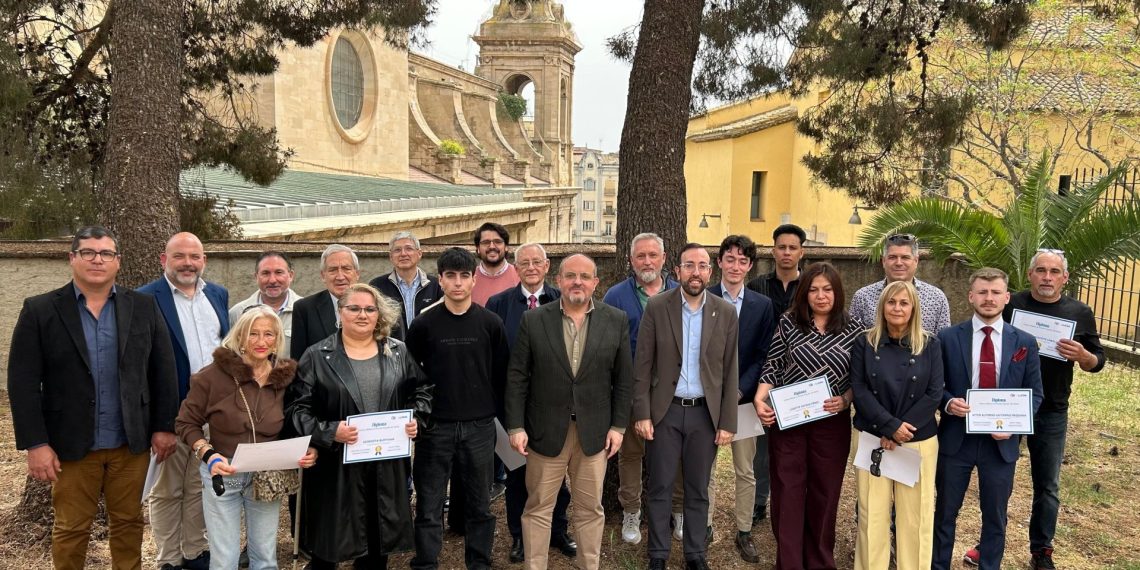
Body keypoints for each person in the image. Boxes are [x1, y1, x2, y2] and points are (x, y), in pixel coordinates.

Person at [8, 225, 179, 570]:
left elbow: (163, 369)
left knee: (129, 523)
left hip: (129, 443)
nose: (97, 260)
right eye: (88, 252)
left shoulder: (143, 307)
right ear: (72, 258)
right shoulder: (40, 310)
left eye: (106, 253)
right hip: (71, 446)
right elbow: (22, 383)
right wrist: (36, 444)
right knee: (71, 528)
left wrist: (164, 427)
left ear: (117, 261)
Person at [286, 283, 432, 568]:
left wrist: (416, 418)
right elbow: (296, 409)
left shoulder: (398, 352)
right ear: (340, 313)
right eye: (354, 308)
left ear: (379, 315)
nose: (362, 315)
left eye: (369, 309)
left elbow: (422, 390)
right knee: (328, 549)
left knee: (377, 547)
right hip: (335, 468)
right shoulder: (316, 356)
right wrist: (329, 432)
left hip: (385, 467)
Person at [506, 253, 633, 570]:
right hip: (544, 430)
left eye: (585, 276)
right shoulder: (534, 320)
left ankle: (589, 564)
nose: (578, 282)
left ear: (595, 283)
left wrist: (618, 427)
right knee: (538, 507)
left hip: (594, 433)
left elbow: (624, 380)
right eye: (571, 275)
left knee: (590, 507)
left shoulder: (614, 320)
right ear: (559, 280)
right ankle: (535, 565)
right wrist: (516, 426)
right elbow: (517, 376)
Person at [176, 306, 317, 570]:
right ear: (240, 337)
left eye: (269, 334)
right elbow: (186, 423)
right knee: (225, 560)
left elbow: (300, 419)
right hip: (223, 470)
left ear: (278, 339)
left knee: (264, 558)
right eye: (253, 334)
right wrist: (207, 454)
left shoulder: (287, 377)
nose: (262, 342)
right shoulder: (212, 377)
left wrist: (309, 449)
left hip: (266, 473)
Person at [633, 243, 739, 570]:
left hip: (704, 415)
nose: (696, 272)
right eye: (689, 265)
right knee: (660, 485)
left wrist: (727, 422)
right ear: (677, 270)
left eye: (703, 266)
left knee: (698, 488)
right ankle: (658, 555)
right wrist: (642, 413)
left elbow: (730, 368)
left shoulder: (725, 312)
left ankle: (695, 554)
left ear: (711, 271)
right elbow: (643, 364)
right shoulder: (657, 307)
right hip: (665, 412)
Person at [754, 261, 863, 570]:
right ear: (804, 293)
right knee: (788, 491)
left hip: (831, 424)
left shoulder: (854, 329)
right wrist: (761, 399)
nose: (820, 296)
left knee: (824, 493)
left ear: (837, 292)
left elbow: (859, 379)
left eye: (827, 289)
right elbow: (772, 364)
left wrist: (844, 400)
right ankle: (789, 562)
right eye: (813, 290)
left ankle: (818, 561)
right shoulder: (789, 322)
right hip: (789, 422)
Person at [933, 267, 1043, 570]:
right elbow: (935, 386)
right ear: (971, 296)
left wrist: (1014, 426)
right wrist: (947, 402)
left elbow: (1035, 395)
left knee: (995, 516)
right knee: (944, 512)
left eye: (996, 292)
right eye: (982, 292)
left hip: (1001, 444)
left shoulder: (1025, 342)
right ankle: (938, 565)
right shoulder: (947, 337)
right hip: (957, 439)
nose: (989, 298)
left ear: (1006, 297)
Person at [406, 247, 510, 570]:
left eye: (464, 276)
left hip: (479, 427)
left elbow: (501, 374)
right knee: (429, 501)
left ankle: (479, 561)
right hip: (435, 426)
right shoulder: (423, 326)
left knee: (479, 502)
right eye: (450, 276)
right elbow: (412, 376)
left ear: (473, 279)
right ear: (440, 279)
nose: (458, 283)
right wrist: (418, 418)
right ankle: (426, 561)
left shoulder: (490, 323)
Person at [1005, 250, 1105, 569]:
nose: (1047, 277)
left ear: (1065, 278)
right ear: (1030, 274)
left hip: (1052, 410)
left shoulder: (1080, 312)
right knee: (999, 478)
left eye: (1054, 272)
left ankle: (1041, 550)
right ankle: (989, 540)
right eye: (1041, 270)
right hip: (1011, 405)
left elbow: (1098, 360)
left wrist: (1084, 357)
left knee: (1047, 485)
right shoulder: (1012, 305)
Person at [139, 231, 230, 570]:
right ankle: (169, 559)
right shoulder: (146, 298)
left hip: (211, 414)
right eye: (179, 256)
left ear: (203, 261)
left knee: (199, 485)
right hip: (172, 414)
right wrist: (159, 424)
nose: (188, 263)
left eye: (195, 256)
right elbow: (142, 367)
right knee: (166, 491)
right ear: (164, 260)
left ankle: (195, 552)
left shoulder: (218, 295)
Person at [486, 243, 576, 564]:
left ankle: (559, 530)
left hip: (555, 407)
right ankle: (520, 538)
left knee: (557, 474)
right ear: (516, 266)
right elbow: (494, 359)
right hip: (512, 407)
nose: (532, 267)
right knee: (516, 475)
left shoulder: (563, 300)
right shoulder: (498, 304)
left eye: (537, 261)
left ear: (547, 265)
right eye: (525, 262)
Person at [850, 281, 944, 570]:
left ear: (914, 307)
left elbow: (934, 392)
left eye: (904, 303)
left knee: (916, 517)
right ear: (882, 307)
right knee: (871, 515)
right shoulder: (865, 342)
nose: (897, 308)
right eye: (891, 302)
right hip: (872, 438)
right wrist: (889, 426)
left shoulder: (930, 344)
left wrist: (901, 430)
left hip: (916, 441)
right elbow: (860, 388)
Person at [602, 232, 683, 545]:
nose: (647, 261)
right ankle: (631, 512)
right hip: (631, 392)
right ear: (631, 260)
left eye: (653, 255)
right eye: (640, 256)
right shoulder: (616, 297)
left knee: (675, 455)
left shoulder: (680, 293)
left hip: (674, 393)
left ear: (664, 259)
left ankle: (679, 510)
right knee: (631, 455)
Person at [706, 235, 776, 562]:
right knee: (703, 467)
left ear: (750, 266)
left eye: (742, 261)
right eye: (730, 259)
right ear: (719, 261)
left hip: (745, 400)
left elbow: (764, 355)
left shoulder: (762, 306)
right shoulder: (700, 298)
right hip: (705, 399)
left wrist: (739, 390)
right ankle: (703, 526)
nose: (735, 266)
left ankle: (744, 530)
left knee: (745, 469)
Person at [746, 223, 805, 522]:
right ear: (773, 250)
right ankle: (759, 502)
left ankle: (792, 501)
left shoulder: (811, 287)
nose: (786, 252)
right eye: (781, 247)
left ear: (801, 252)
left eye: (792, 247)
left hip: (799, 379)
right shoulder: (756, 286)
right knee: (762, 447)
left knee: (794, 445)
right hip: (764, 379)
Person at [850, 233, 951, 334]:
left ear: (916, 261)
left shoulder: (936, 298)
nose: (898, 263)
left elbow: (944, 342)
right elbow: (853, 340)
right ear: (884, 261)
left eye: (905, 257)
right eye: (892, 257)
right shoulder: (862, 297)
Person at [290, 243, 360, 360]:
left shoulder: (374, 306)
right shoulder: (304, 309)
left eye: (346, 269)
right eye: (333, 270)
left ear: (357, 274)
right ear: (323, 276)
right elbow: (299, 361)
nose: (340, 276)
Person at [370, 231, 442, 341]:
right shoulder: (377, 286)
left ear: (419, 254)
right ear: (390, 256)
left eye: (409, 248)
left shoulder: (436, 285)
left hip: (428, 351)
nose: (403, 254)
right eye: (397, 250)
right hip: (391, 351)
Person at [229, 251, 300, 357]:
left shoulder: (305, 311)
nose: (272, 280)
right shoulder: (238, 313)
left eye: (279, 272)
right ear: (256, 276)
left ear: (290, 275)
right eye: (265, 273)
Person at [471, 222, 519, 306]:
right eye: (486, 242)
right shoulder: (468, 278)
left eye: (498, 242)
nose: (492, 246)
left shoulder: (520, 276)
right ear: (478, 248)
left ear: (506, 247)